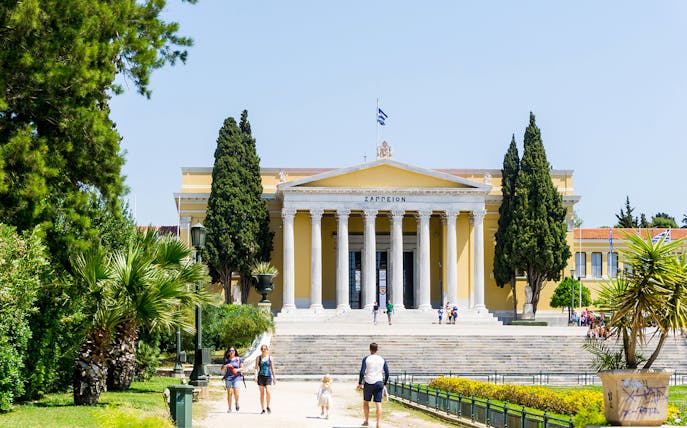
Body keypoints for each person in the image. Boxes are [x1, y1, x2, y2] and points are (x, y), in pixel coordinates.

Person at [357, 342, 389, 428]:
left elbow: (362, 372)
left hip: (368, 382)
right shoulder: (382, 359)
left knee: (365, 402)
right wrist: (384, 383)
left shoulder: (366, 358)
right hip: (379, 382)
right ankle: (378, 423)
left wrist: (360, 383)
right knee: (378, 403)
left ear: (370, 349)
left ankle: (367, 420)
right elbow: (387, 372)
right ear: (377, 349)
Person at [221, 346, 244, 413]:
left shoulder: (239, 359)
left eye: (233, 351)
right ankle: (229, 408)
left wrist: (237, 370)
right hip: (228, 378)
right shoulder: (226, 360)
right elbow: (222, 369)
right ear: (228, 352)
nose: (231, 352)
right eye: (230, 351)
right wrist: (226, 365)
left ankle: (236, 402)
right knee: (229, 393)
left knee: (236, 393)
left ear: (235, 351)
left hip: (236, 377)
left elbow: (242, 368)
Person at [255, 344, 276, 414]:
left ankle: (268, 406)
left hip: (268, 376)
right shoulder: (258, 358)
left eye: (264, 349)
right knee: (262, 394)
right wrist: (255, 376)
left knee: (268, 392)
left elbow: (272, 368)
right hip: (260, 376)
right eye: (262, 349)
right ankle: (263, 409)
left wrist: (274, 377)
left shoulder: (270, 358)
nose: (263, 350)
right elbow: (256, 368)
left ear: (267, 350)